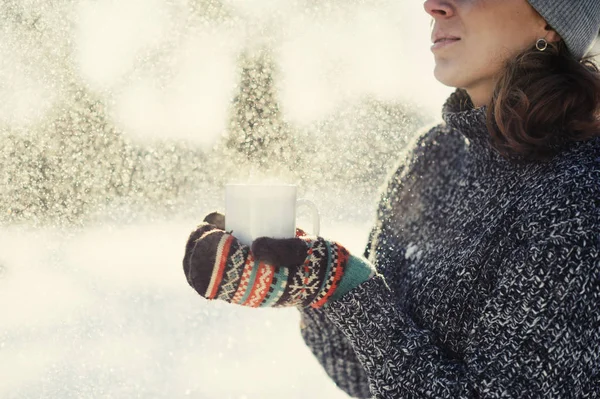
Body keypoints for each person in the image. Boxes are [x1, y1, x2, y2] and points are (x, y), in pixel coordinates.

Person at [183, 0, 600, 397]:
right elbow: (368, 380)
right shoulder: (434, 156)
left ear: (549, 20)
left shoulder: (580, 195)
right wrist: (306, 283)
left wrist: (345, 288)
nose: (432, 5)